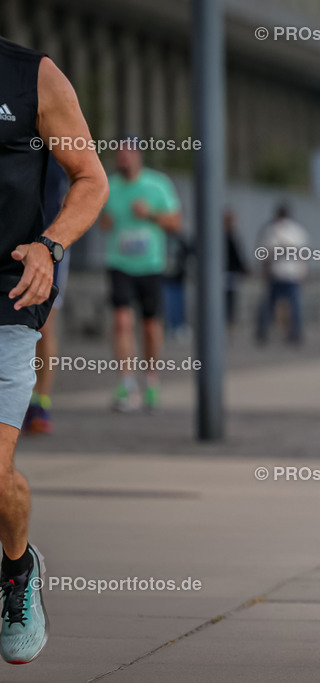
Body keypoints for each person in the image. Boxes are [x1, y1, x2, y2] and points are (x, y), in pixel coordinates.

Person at [0, 36, 108, 664]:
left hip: (8, 294)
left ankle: (17, 569)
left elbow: (90, 177)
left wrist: (50, 244)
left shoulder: (32, 76)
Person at [99, 142, 182, 412]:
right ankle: (126, 382)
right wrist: (105, 222)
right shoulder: (108, 184)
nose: (123, 158)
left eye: (128, 152)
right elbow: (101, 221)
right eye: (119, 153)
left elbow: (175, 223)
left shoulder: (157, 184)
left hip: (150, 264)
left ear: (138, 155)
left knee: (149, 325)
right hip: (119, 262)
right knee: (122, 321)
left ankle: (151, 378)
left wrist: (150, 214)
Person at [22, 155, 69, 435]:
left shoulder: (61, 146)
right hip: (12, 238)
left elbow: (86, 183)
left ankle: (40, 400)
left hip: (50, 244)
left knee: (44, 324)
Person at [255, 203, 308, 346]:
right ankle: (292, 334)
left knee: (272, 306)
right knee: (287, 306)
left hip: (282, 274)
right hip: (286, 274)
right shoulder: (295, 231)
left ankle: (265, 333)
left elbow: (266, 254)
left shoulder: (274, 230)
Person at [223, 209, 248, 336]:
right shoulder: (230, 236)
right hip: (230, 274)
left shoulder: (217, 235)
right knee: (229, 303)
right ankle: (227, 327)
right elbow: (238, 256)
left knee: (225, 302)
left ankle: (226, 327)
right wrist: (245, 270)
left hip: (224, 274)